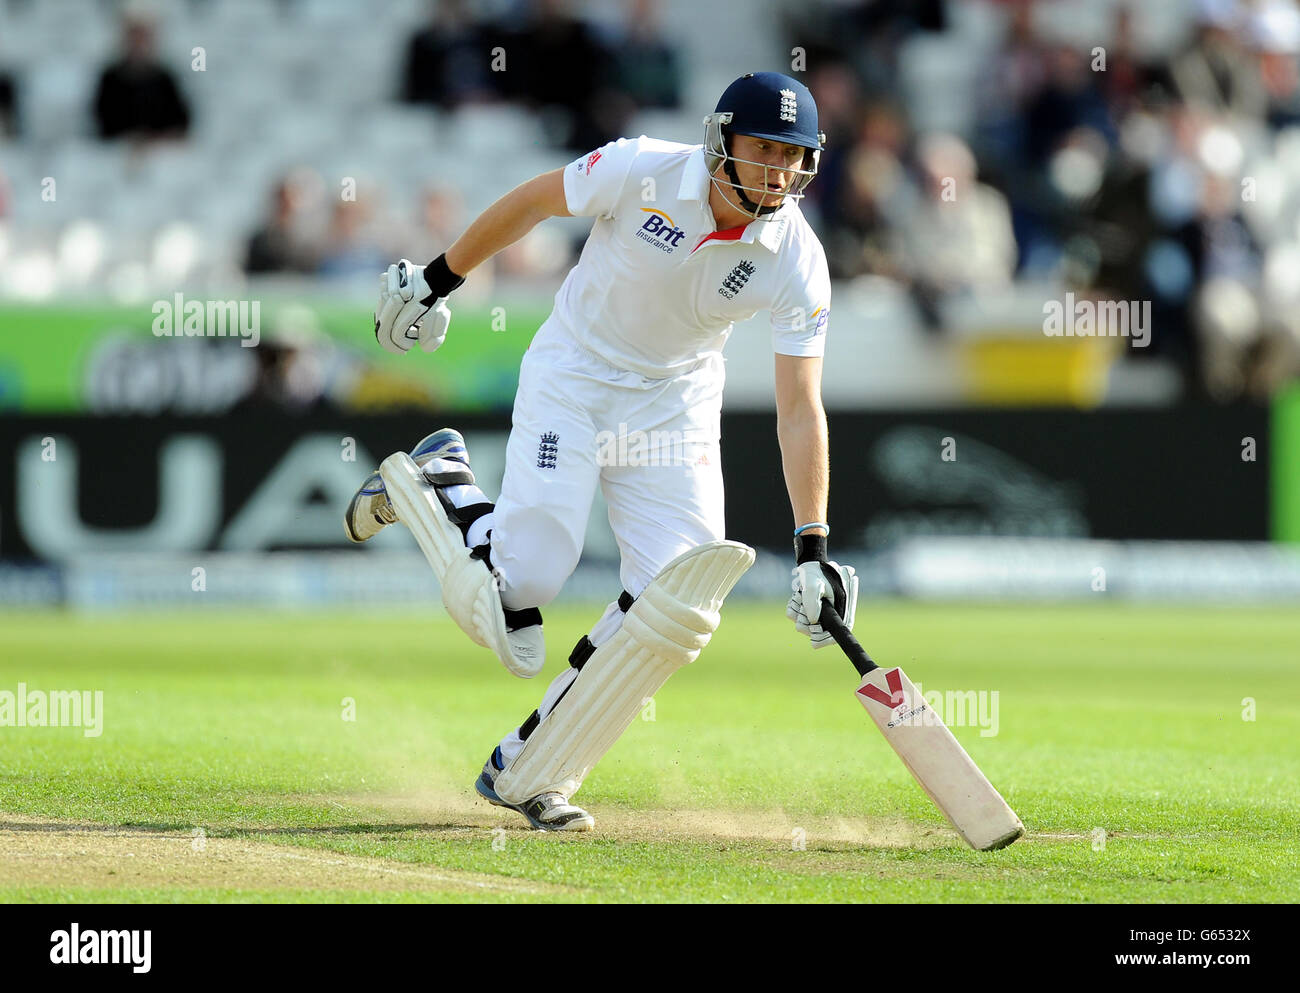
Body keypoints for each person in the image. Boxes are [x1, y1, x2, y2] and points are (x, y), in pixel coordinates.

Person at [346, 72, 859, 831]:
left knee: (680, 604)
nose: (780, 172)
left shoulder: (796, 255)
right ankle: (440, 479)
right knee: (520, 595)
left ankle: (531, 770)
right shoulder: (643, 167)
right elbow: (530, 202)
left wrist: (812, 546)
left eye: (794, 156)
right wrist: (436, 278)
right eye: (765, 150)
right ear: (723, 142)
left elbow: (798, 408)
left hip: (673, 405)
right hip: (575, 377)